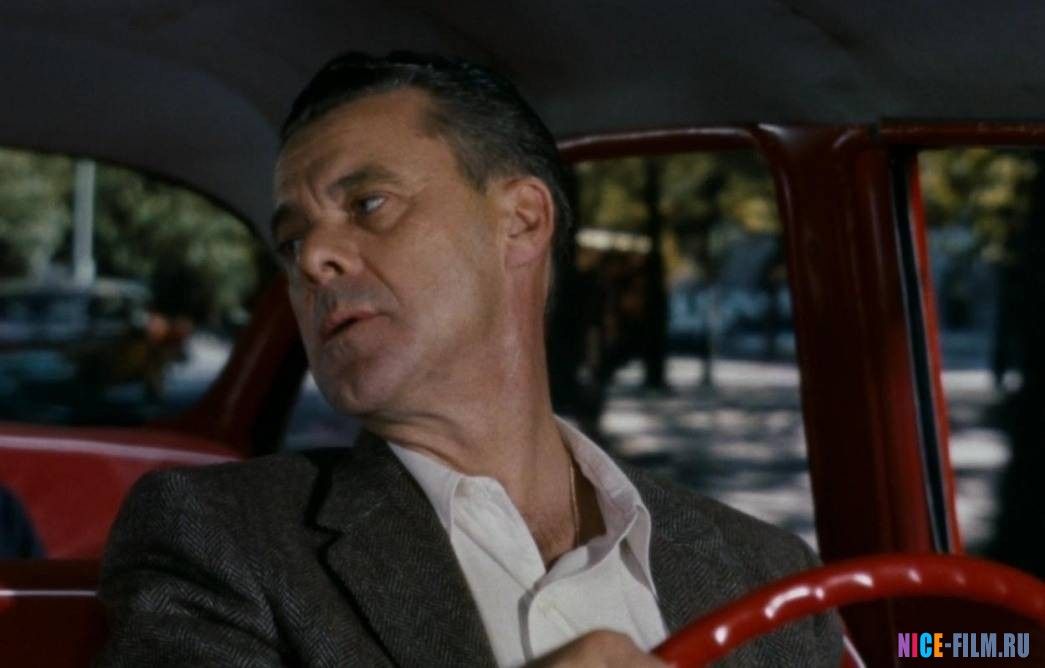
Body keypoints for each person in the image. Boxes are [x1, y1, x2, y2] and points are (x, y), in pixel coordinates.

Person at [98, 52, 842, 667]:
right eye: (291, 241)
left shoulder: (770, 574)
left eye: (368, 205)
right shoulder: (226, 539)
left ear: (521, 222)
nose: (313, 258)